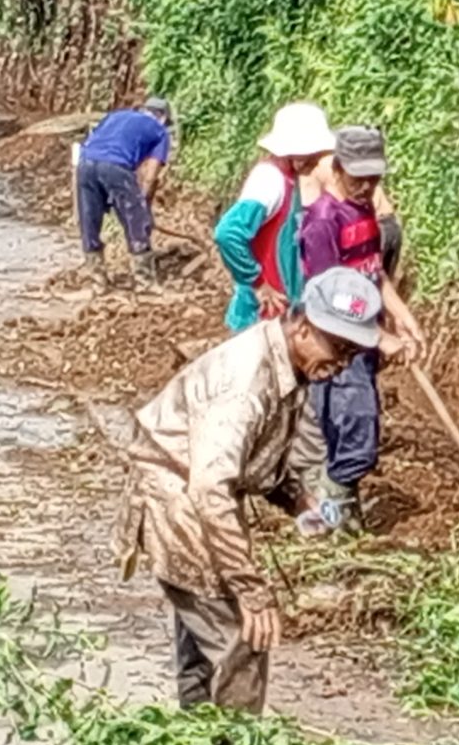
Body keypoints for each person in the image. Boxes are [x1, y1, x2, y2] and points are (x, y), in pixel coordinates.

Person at [115, 269, 384, 720]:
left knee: (205, 635)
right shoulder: (244, 383)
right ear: (303, 327)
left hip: (195, 485)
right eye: (338, 348)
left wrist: (296, 499)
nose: (341, 363)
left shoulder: (291, 365)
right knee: (244, 635)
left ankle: (199, 742)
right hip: (179, 495)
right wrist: (251, 588)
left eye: (352, 354)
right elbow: (210, 488)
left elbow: (257, 454)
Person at [286, 125, 424, 534]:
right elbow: (328, 298)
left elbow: (372, 272)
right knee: (354, 434)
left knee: (355, 431)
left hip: (360, 342)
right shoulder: (322, 222)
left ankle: (340, 516)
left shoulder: (363, 214)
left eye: (374, 178)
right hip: (334, 347)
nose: (366, 187)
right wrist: (382, 337)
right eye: (358, 177)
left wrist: (402, 315)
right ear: (337, 169)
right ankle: (327, 515)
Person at [214, 102, 334, 331]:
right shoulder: (269, 180)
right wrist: (258, 283)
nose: (316, 159)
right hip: (260, 319)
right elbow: (228, 233)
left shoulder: (292, 179)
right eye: (312, 154)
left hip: (283, 316)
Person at [77, 95, 174, 287]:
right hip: (115, 166)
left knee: (89, 218)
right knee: (136, 220)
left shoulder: (115, 116)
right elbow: (151, 175)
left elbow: (95, 141)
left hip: (85, 164)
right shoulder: (160, 131)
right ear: (163, 117)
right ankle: (144, 281)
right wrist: (142, 204)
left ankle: (97, 278)